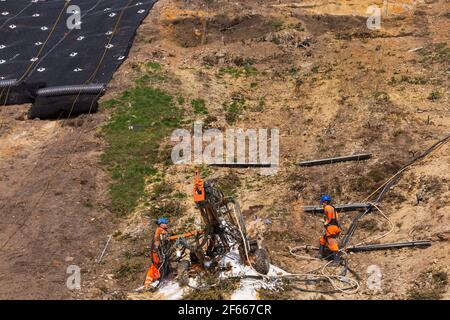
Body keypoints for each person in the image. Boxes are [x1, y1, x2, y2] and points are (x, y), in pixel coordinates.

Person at [144, 217, 169, 287]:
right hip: (156, 252)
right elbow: (166, 235)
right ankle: (148, 282)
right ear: (161, 224)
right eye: (165, 223)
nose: (166, 224)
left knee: (158, 265)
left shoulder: (159, 229)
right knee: (155, 265)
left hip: (156, 251)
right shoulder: (160, 229)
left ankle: (154, 279)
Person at [318, 195, 341, 264]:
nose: (322, 204)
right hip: (334, 227)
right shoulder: (332, 208)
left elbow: (330, 216)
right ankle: (320, 255)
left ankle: (336, 261)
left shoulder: (328, 207)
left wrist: (326, 222)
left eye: (322, 202)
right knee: (322, 239)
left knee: (332, 243)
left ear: (325, 202)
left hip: (331, 228)